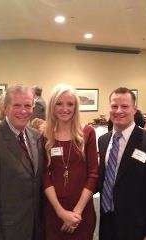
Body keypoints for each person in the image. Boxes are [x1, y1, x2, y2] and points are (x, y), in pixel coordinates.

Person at [0, 85, 44, 240]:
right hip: (7, 232)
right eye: (16, 105)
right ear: (5, 108)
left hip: (35, 229)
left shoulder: (36, 136)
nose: (23, 111)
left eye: (27, 106)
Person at [98, 87, 146, 240]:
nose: (118, 111)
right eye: (114, 106)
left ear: (134, 109)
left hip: (136, 226)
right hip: (106, 220)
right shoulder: (103, 140)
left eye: (125, 106)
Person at [43, 84, 98, 239]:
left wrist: (76, 212)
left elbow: (93, 174)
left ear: (76, 106)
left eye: (70, 104)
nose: (64, 109)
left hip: (81, 212)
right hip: (54, 211)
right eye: (59, 104)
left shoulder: (87, 133)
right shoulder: (45, 135)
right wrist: (61, 212)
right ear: (52, 106)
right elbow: (45, 177)